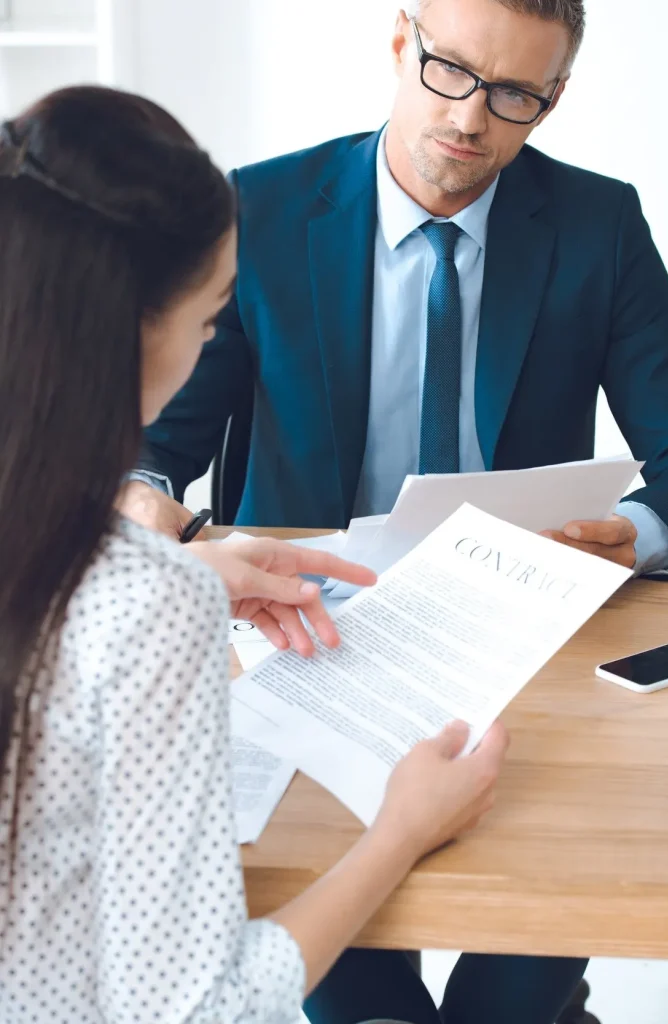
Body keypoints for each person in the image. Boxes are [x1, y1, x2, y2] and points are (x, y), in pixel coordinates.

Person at [122, 0, 668, 1021]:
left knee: (514, 988)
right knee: (361, 992)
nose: (469, 117)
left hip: (517, 656)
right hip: (306, 640)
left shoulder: (594, 227)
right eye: (449, 70)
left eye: (512, 93)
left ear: (552, 99)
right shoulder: (263, 212)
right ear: (397, 45)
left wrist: (631, 534)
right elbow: (157, 445)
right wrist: (146, 503)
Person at [0, 85, 510, 1024]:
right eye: (207, 322)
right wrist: (401, 832)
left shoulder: (100, 577)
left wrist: (180, 572)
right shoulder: (143, 605)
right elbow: (204, 1009)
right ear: (129, 331)